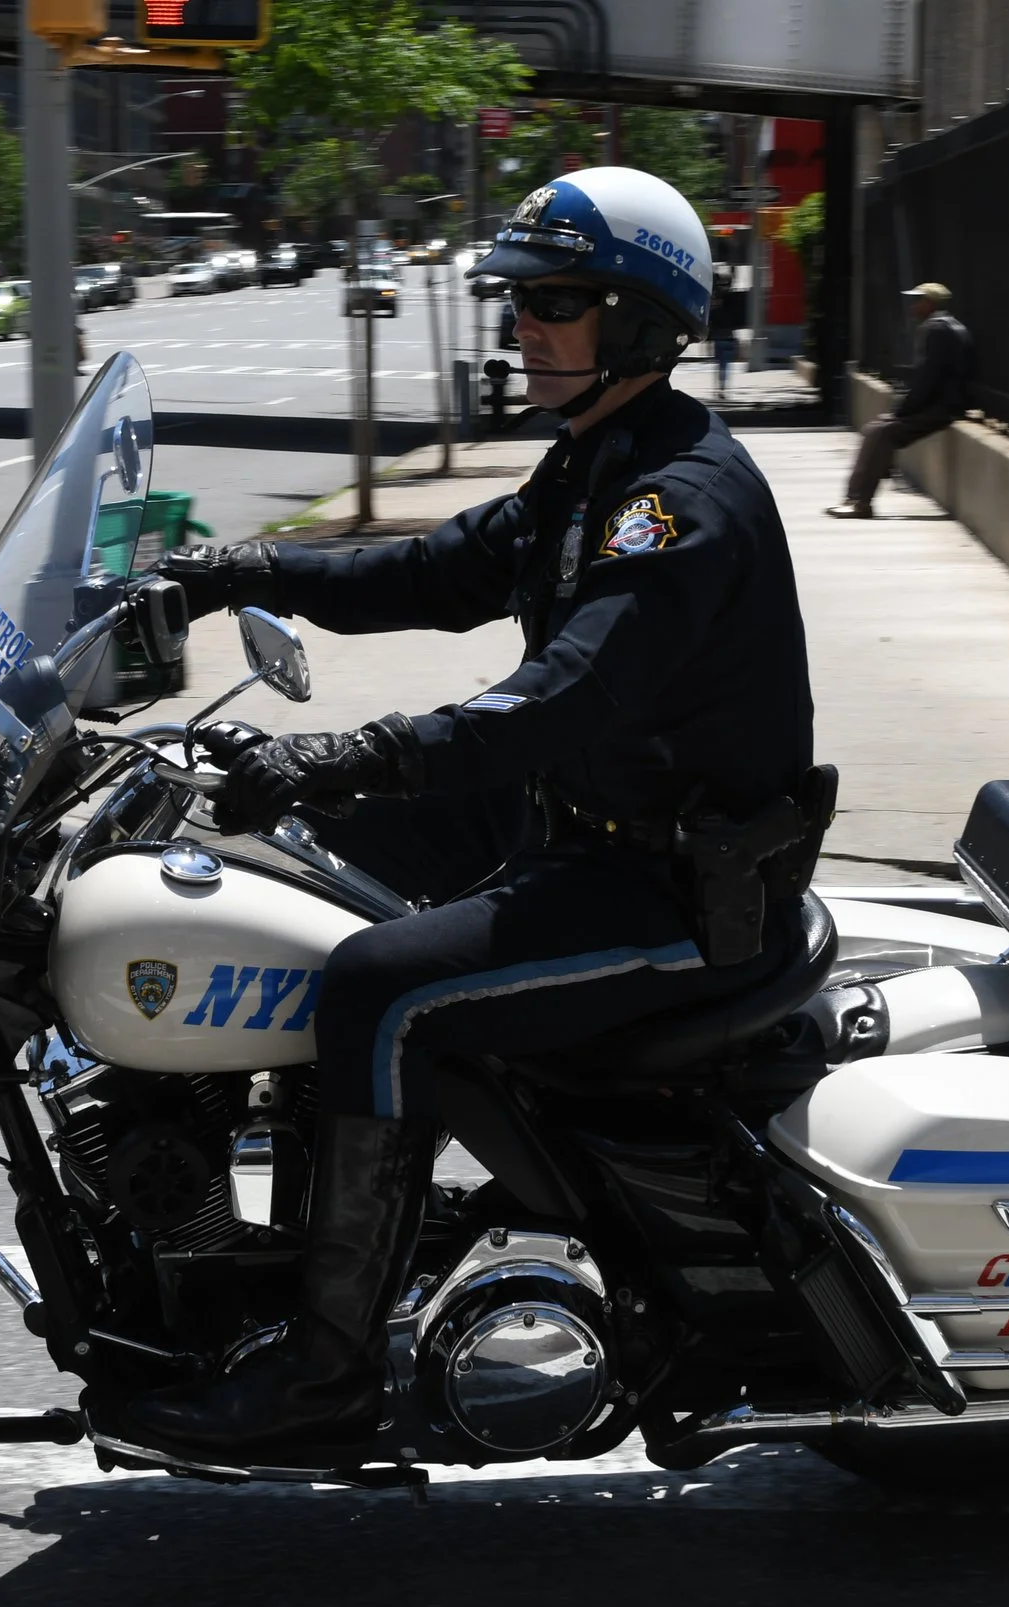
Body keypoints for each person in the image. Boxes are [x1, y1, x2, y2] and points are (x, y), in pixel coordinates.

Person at [136, 167, 820, 1454]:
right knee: (261, 863)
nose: (525, 326)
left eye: (556, 302)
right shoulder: (596, 463)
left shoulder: (677, 503)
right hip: (582, 825)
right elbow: (439, 568)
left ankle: (327, 1379)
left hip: (675, 890)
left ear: (635, 320)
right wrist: (245, 566)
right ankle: (247, 1247)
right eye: (520, 301)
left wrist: (348, 752)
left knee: (379, 988)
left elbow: (560, 700)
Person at [827, 281, 973, 519]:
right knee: (877, 430)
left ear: (928, 304)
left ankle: (859, 501)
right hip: (946, 403)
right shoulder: (948, 327)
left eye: (917, 301)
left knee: (880, 432)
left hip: (943, 408)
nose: (912, 306)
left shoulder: (936, 329)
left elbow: (927, 379)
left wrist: (901, 412)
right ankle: (860, 494)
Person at [710, 266, 745, 397]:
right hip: (728, 338)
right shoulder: (731, 308)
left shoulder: (715, 309)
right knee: (725, 366)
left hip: (719, 339)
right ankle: (723, 387)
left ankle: (720, 387)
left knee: (720, 365)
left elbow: (711, 324)